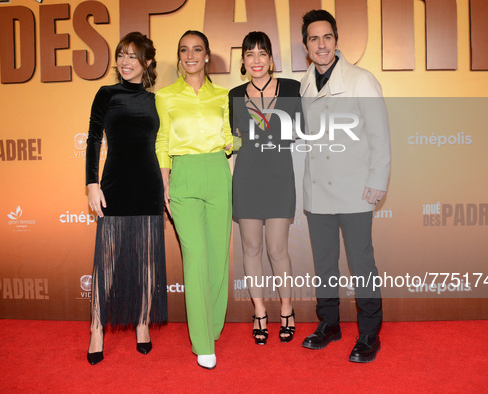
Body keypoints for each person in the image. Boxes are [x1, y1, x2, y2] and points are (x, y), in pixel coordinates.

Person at [298, 10, 391, 363]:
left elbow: (380, 137)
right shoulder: (304, 84)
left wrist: (377, 181)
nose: (321, 45)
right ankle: (330, 325)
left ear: (336, 40)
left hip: (355, 189)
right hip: (317, 190)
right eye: (313, 39)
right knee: (324, 263)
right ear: (306, 45)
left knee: (361, 263)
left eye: (327, 37)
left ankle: (369, 332)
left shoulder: (361, 80)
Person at [85, 32, 167, 365]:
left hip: (148, 185)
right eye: (121, 55)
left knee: (147, 261)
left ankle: (143, 323)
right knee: (107, 262)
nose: (125, 62)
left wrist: (167, 186)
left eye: (133, 56)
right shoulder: (106, 94)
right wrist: (91, 183)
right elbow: (92, 140)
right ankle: (96, 328)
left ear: (147, 62)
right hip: (115, 183)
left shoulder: (156, 100)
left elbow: (164, 146)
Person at [155, 30, 233, 370]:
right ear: (180, 57)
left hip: (218, 172)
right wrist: (165, 183)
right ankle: (202, 341)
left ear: (207, 56)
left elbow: (229, 138)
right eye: (184, 49)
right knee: (196, 258)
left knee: (218, 258)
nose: (190, 55)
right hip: (183, 175)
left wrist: (253, 140)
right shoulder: (165, 96)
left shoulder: (223, 95)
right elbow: (161, 141)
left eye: (196, 49)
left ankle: (212, 325)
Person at [229, 31, 301, 345]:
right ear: (243, 61)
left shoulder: (291, 89)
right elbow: (231, 140)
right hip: (246, 179)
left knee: (277, 250)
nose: (256, 60)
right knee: (251, 249)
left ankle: (287, 309)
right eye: (249, 54)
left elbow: (300, 132)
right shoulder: (232, 95)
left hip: (278, 178)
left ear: (271, 59)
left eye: (262, 53)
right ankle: (259, 311)